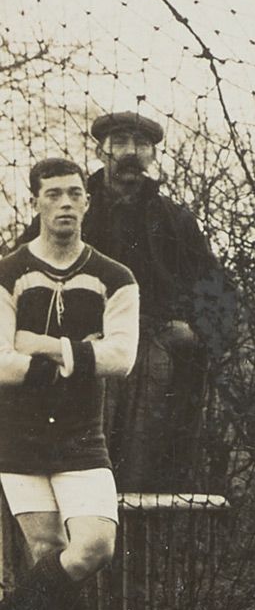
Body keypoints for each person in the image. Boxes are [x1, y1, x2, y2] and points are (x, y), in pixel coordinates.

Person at [16, 112, 229, 493]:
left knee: (145, 449)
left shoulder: (174, 219)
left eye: (141, 145)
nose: (130, 152)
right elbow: (23, 269)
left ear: (152, 155)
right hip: (78, 343)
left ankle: (135, 522)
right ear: (101, 150)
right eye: (119, 142)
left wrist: (195, 333)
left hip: (151, 342)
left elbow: (214, 288)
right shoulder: (70, 208)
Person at [0, 157, 138, 610]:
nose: (64, 203)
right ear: (35, 201)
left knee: (93, 548)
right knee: (49, 551)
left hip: (82, 437)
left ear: (87, 203)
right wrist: (74, 357)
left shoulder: (115, 277)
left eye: (74, 194)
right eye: (52, 193)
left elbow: (123, 358)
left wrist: (43, 346)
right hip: (19, 439)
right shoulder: (8, 273)